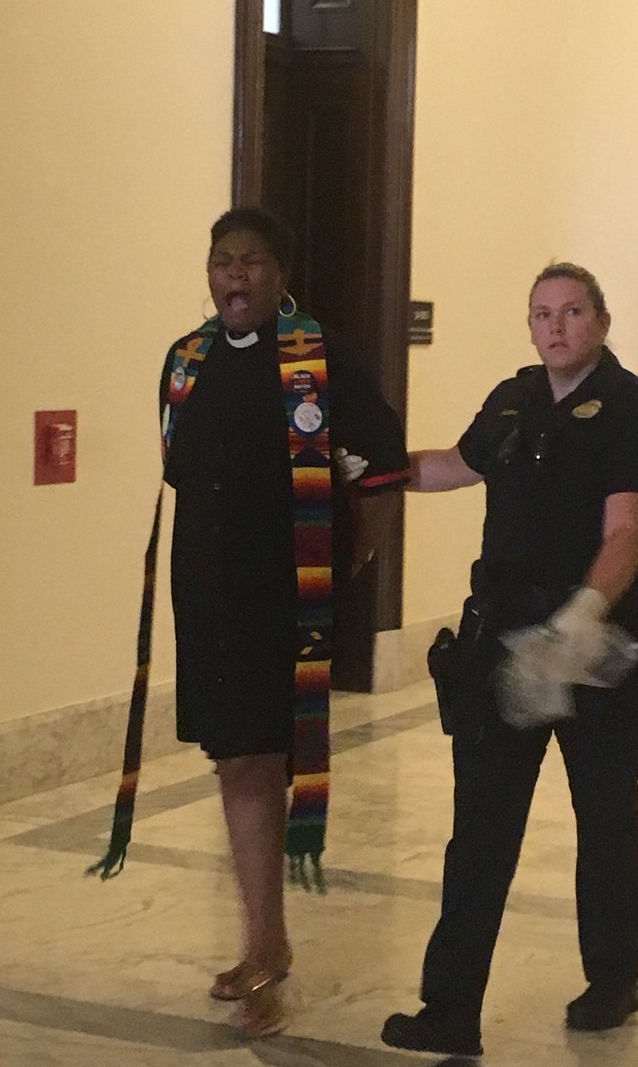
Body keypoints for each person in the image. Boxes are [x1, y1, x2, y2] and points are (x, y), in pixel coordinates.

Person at [93, 207, 407, 1039]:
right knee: (236, 759)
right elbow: (184, 471)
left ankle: (266, 946)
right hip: (207, 595)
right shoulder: (186, 360)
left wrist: (348, 566)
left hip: (282, 597)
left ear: (281, 273)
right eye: (222, 261)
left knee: (259, 761)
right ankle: (266, 939)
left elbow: (382, 469)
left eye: (253, 261)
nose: (235, 275)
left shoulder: (319, 357)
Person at [381, 263, 638, 1058]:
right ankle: (450, 1007)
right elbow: (457, 464)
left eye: (573, 312)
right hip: (507, 643)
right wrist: (375, 470)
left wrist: (582, 617)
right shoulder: (513, 398)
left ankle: (612, 979)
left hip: (595, 647)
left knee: (605, 815)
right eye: (543, 314)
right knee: (480, 828)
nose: (556, 327)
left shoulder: (632, 410)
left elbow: (628, 528)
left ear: (602, 322)